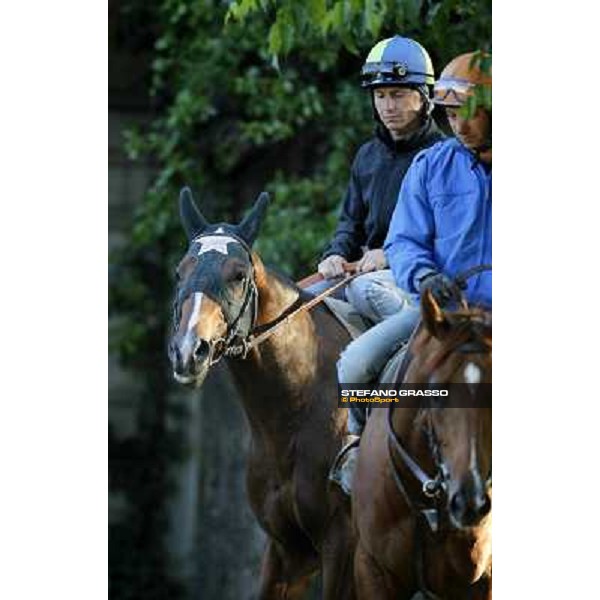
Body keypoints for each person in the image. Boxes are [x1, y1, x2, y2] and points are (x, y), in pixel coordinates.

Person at [331, 51, 492, 494]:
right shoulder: (431, 166)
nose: (458, 125)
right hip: (439, 316)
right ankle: (358, 452)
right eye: (452, 114)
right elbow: (403, 242)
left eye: (468, 114)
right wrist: (423, 278)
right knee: (354, 365)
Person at [310, 35, 444, 324]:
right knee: (298, 300)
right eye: (380, 95)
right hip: (363, 269)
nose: (388, 106)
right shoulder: (367, 156)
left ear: (423, 97)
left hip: (412, 274)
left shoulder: (443, 158)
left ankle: (429, 336)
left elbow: (446, 235)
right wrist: (334, 254)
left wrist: (389, 256)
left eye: (397, 94)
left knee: (361, 290)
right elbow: (350, 223)